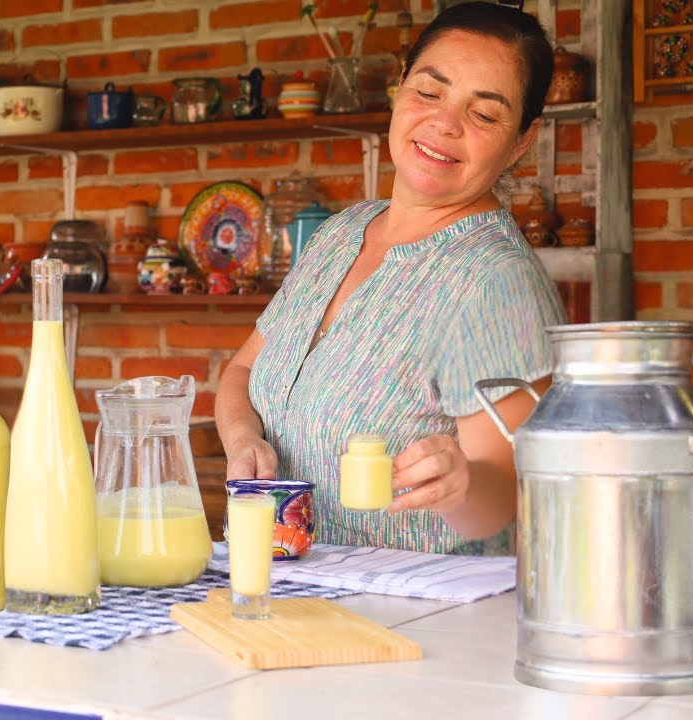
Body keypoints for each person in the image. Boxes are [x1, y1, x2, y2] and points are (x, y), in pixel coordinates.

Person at [215, 1, 566, 556]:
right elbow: (242, 370)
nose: (444, 124)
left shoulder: (495, 283)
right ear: (400, 86)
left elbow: (510, 501)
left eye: (485, 114)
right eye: (430, 91)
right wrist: (243, 440)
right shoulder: (340, 234)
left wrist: (462, 487)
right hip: (282, 594)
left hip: (412, 621)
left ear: (522, 139)